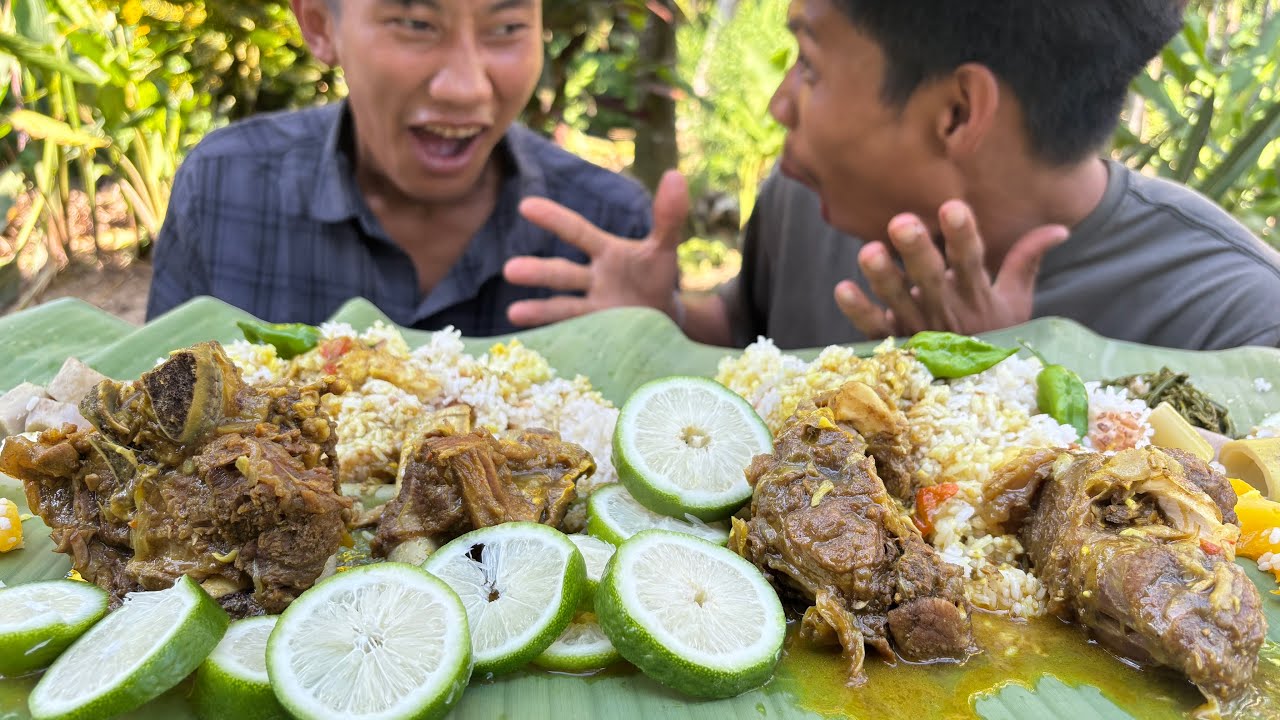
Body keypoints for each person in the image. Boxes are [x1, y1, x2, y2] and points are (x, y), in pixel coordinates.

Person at [502, 0, 1280, 351]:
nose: (777, 104)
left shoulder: (1236, 328)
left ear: (955, 112)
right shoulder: (806, 203)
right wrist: (663, 316)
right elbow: (749, 329)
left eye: (807, 64)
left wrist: (996, 393)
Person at [146, 0, 654, 336]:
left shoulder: (610, 229)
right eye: (416, 25)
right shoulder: (222, 189)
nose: (467, 87)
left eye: (506, 28)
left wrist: (656, 334)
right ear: (321, 25)